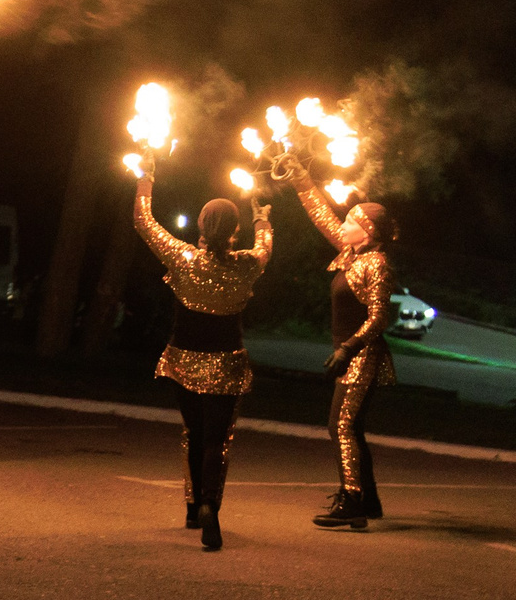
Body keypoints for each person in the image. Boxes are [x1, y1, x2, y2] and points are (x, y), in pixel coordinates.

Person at [130, 165, 272, 550]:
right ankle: (210, 503)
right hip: (227, 364)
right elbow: (265, 249)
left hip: (184, 361)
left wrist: (147, 175)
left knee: (193, 432)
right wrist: (262, 218)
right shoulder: (246, 265)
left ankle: (193, 508)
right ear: (234, 232)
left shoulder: (183, 258)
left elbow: (143, 221)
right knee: (217, 439)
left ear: (201, 225)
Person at [276, 153, 397, 530]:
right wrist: (299, 177)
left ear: (368, 231)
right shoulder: (350, 253)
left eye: (350, 222)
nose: (341, 225)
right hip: (350, 355)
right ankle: (368, 500)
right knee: (351, 427)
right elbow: (320, 216)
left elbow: (379, 318)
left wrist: (347, 349)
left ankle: (352, 501)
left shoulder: (377, 264)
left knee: (340, 426)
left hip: (362, 355)